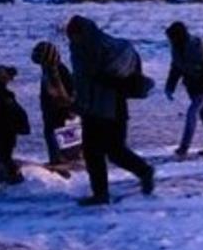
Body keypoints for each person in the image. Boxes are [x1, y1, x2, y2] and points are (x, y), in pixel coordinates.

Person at [66, 16, 155, 206]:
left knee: (112, 150)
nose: (73, 39)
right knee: (95, 151)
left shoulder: (102, 48)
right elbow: (81, 81)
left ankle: (143, 172)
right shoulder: (82, 50)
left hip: (111, 106)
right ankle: (102, 193)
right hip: (94, 107)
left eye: (75, 35)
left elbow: (95, 78)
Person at [164, 22, 203, 158]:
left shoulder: (196, 46)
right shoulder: (176, 47)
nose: (170, 40)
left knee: (192, 113)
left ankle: (184, 147)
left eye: (172, 37)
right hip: (192, 85)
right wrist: (170, 86)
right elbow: (176, 67)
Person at [31, 41, 80, 165]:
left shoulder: (56, 70)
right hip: (57, 110)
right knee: (56, 132)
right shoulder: (52, 68)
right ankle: (65, 158)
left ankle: (62, 159)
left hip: (59, 110)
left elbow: (67, 91)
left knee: (54, 132)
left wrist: (69, 107)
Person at [0, 65, 30, 184]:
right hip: (4, 129)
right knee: (3, 155)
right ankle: (11, 179)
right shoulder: (4, 95)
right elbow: (14, 112)